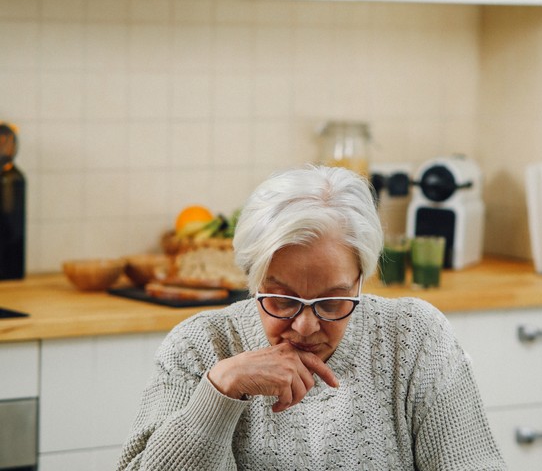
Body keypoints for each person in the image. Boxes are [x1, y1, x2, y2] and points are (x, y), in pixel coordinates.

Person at [116, 164, 506, 471]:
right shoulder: (198, 347)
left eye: (332, 301)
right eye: (282, 299)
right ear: (253, 282)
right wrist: (219, 391)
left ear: (360, 280)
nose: (305, 326)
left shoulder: (415, 338)